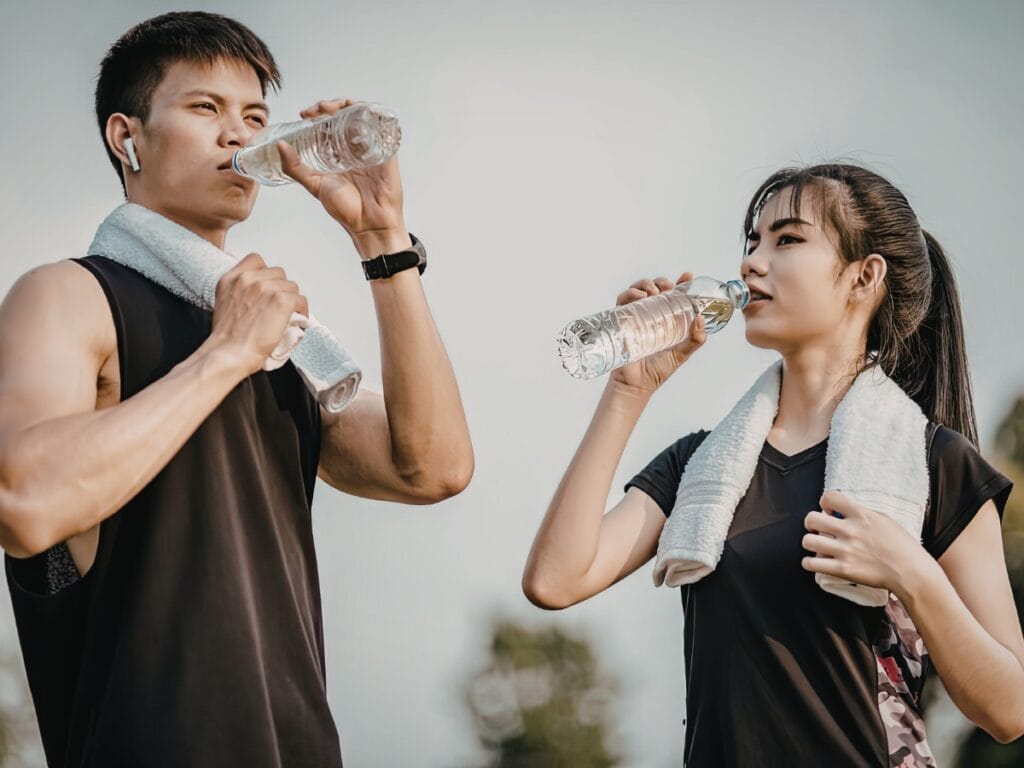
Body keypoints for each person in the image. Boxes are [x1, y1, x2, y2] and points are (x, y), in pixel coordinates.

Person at [0, 11, 472, 767]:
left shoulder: (273, 338)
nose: (237, 135)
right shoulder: (67, 296)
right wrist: (225, 353)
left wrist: (383, 241)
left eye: (253, 116)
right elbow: (25, 502)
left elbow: (432, 467)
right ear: (128, 138)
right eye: (204, 109)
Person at [523, 163, 1021, 766]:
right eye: (752, 242)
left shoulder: (934, 463)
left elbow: (1009, 710)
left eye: (786, 240)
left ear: (864, 277)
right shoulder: (701, 466)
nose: (751, 263)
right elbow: (555, 580)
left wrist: (910, 572)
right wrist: (628, 390)